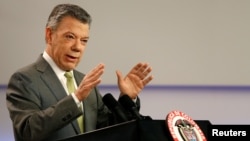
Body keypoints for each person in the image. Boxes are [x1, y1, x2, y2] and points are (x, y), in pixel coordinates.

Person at [6, 3, 153, 141]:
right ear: (49, 35)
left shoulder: (85, 83)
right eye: (70, 37)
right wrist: (75, 98)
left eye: (84, 40)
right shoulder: (25, 79)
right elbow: (27, 131)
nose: (78, 47)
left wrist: (126, 98)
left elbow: (108, 130)